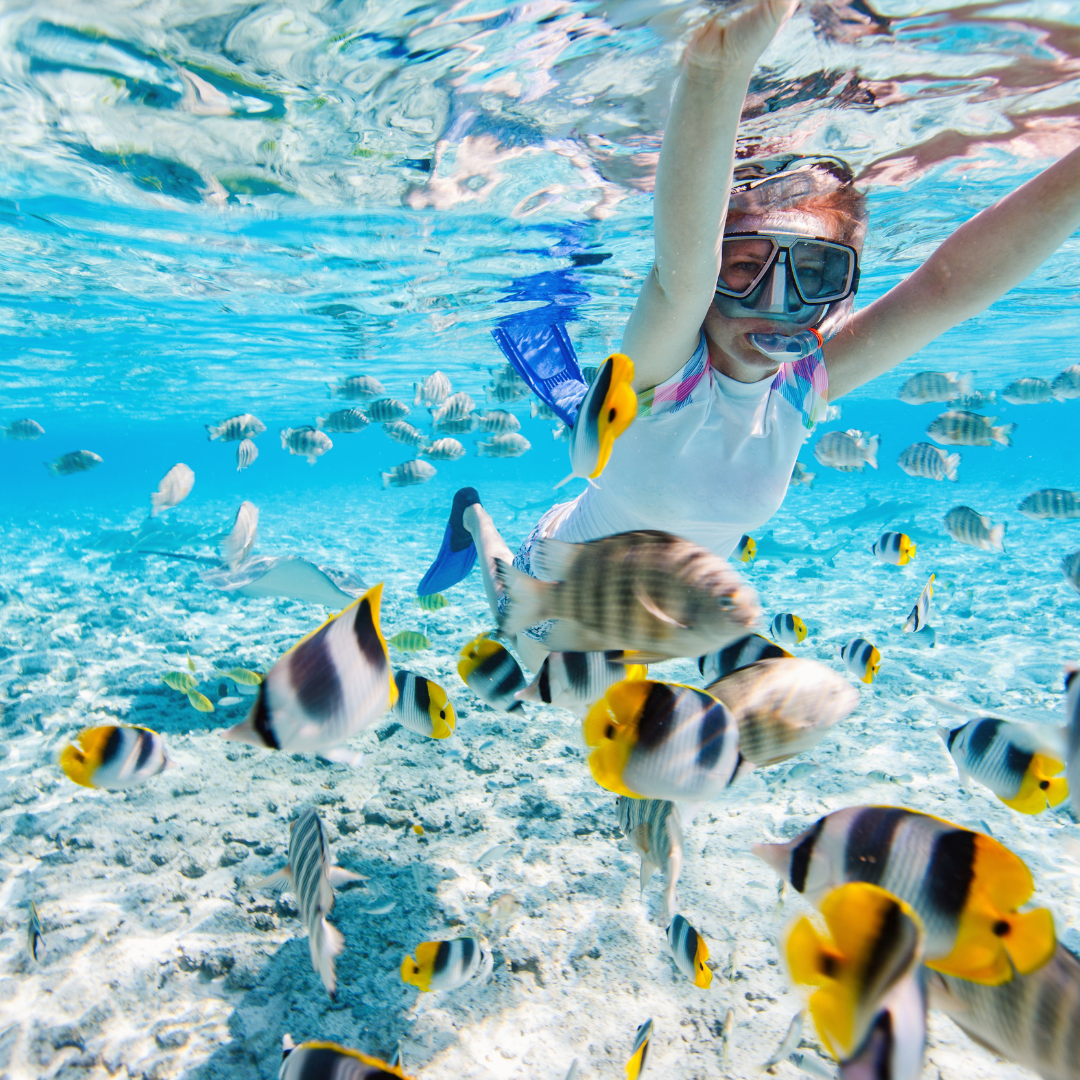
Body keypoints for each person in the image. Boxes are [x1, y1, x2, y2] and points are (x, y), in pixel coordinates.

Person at [421, 0, 1080, 670]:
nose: (775, 304)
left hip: (662, 621)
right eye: (743, 268)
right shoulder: (668, 372)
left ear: (841, 292)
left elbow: (944, 289)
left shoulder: (799, 388)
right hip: (558, 589)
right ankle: (473, 517)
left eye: (813, 273)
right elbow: (683, 274)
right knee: (511, 620)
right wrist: (717, 68)